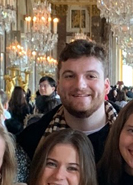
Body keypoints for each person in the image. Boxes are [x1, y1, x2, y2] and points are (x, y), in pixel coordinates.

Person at [17, 40, 117, 169]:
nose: (80, 85)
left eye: (91, 76)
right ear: (58, 86)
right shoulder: (30, 141)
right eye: (70, 76)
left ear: (106, 86)